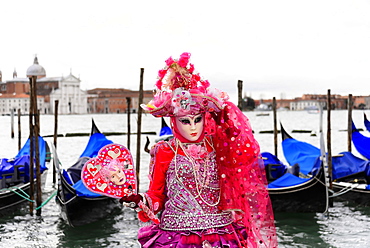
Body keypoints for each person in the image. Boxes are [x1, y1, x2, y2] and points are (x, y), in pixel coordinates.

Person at [120, 52, 277, 248]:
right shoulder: (164, 150)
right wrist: (141, 200)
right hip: (176, 237)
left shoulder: (220, 147)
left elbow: (241, 174)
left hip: (221, 234)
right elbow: (156, 196)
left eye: (197, 120)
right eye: (185, 121)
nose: (193, 127)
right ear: (174, 121)